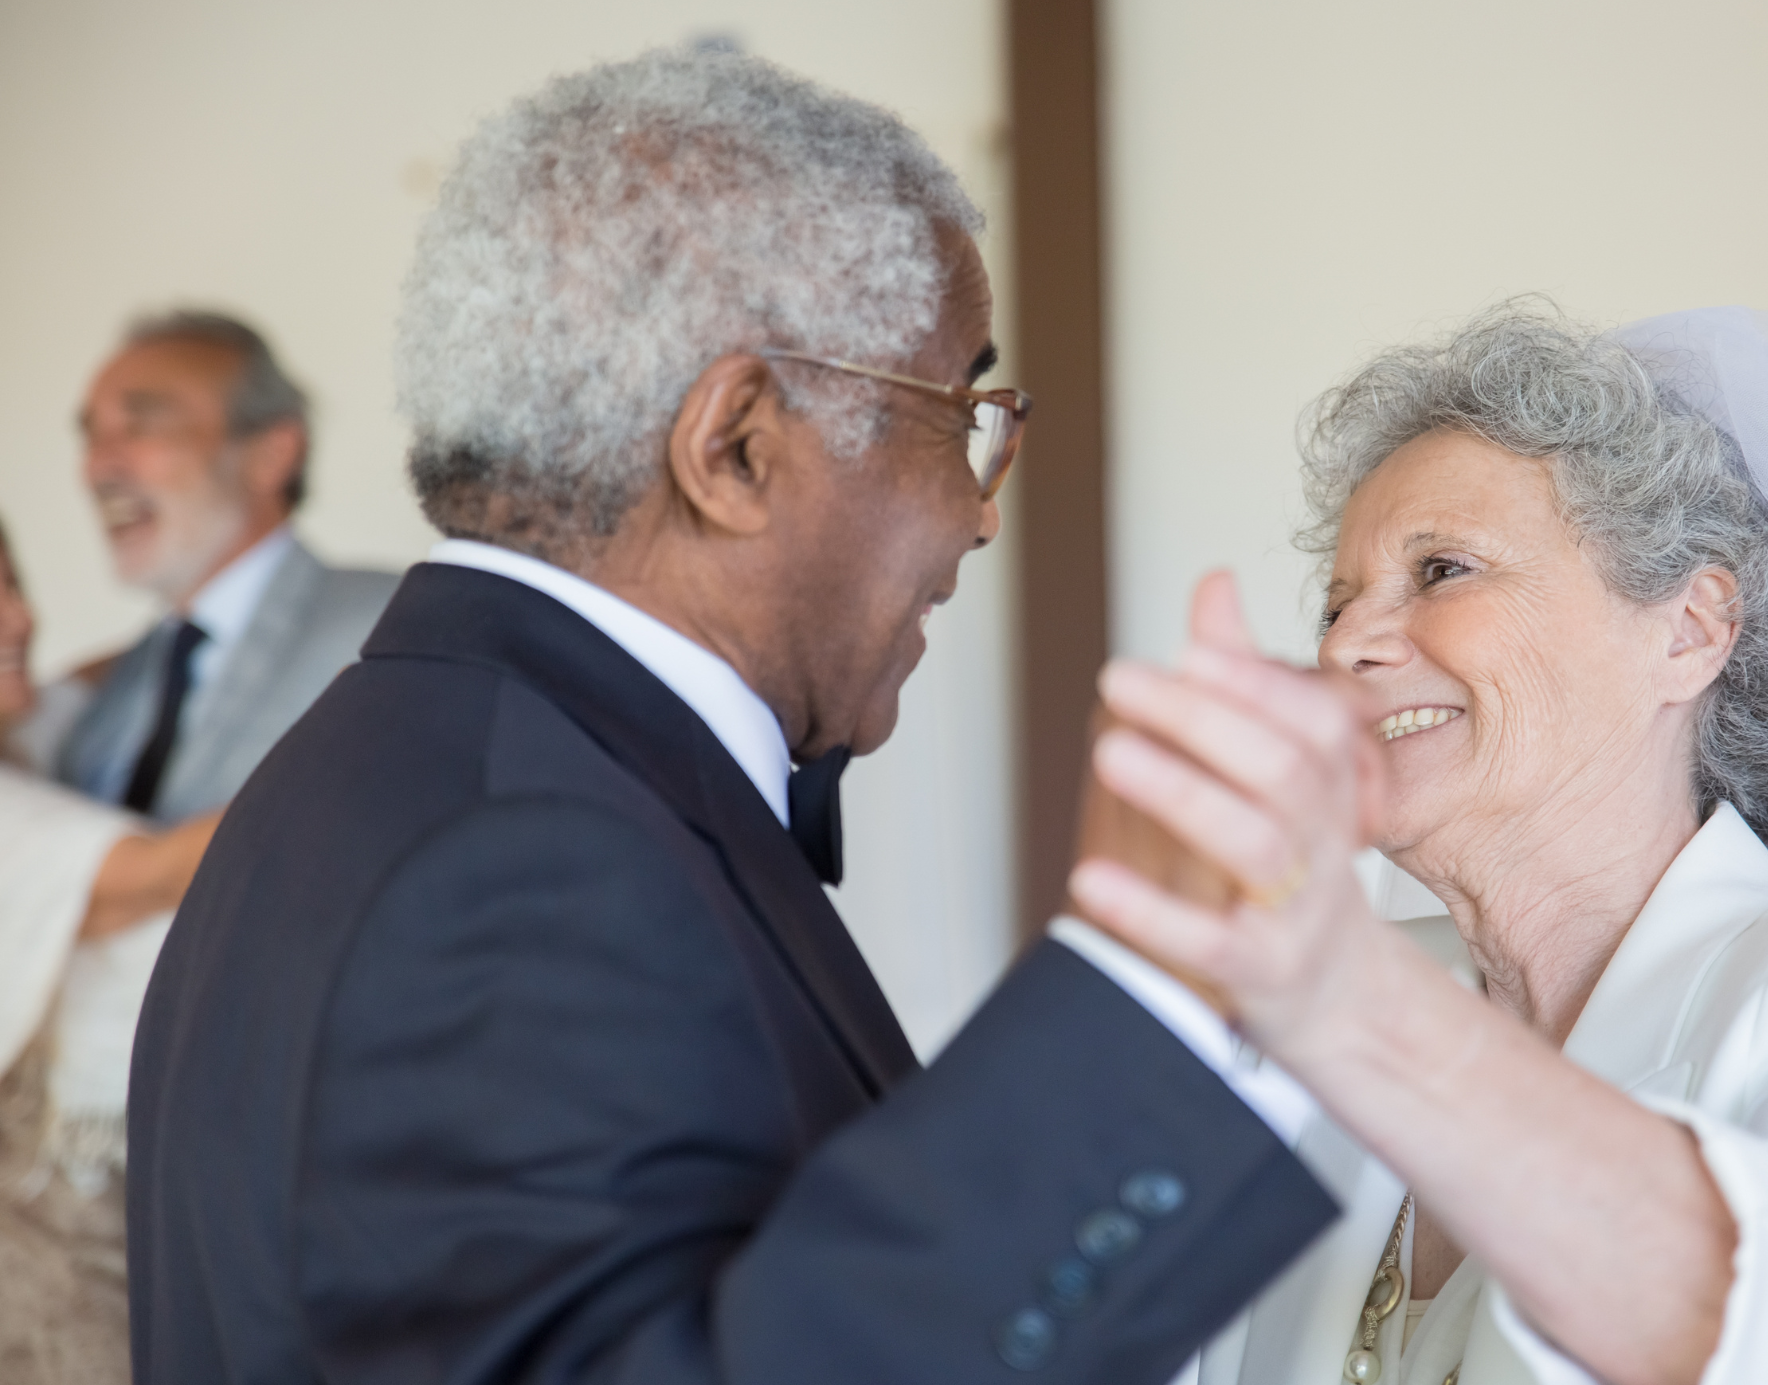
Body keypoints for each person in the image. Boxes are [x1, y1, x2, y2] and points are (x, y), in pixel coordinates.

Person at [127, 47, 1340, 1385]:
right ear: (737, 447)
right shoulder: (519, 861)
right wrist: (1153, 1000)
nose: (980, 511)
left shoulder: (412, 761)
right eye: (960, 413)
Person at [1071, 305, 1768, 1384]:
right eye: (1335, 608)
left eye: (1441, 570)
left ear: (1689, 631)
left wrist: (1357, 1009)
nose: (1345, 646)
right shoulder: (1288, 1017)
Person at [0, 519, 219, 1385]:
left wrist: (205, 619)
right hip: (59, 1232)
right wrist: (394, 716)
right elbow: (160, 870)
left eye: (13, 582)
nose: (19, 618)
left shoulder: (32, 723)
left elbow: (86, 677)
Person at [54, 310, 396, 824]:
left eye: (140, 425)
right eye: (91, 436)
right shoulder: (107, 691)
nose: (96, 468)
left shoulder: (389, 629)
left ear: (272, 454)